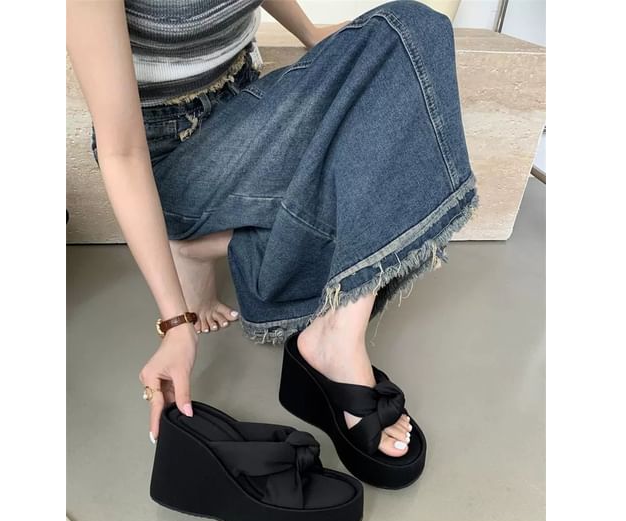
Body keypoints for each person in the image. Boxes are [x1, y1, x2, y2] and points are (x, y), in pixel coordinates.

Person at [67, 0, 478, 458]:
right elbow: (122, 153)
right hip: (169, 154)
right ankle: (327, 332)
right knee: (354, 188)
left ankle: (334, 331)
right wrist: (176, 322)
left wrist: (309, 32)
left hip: (245, 104)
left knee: (417, 29)